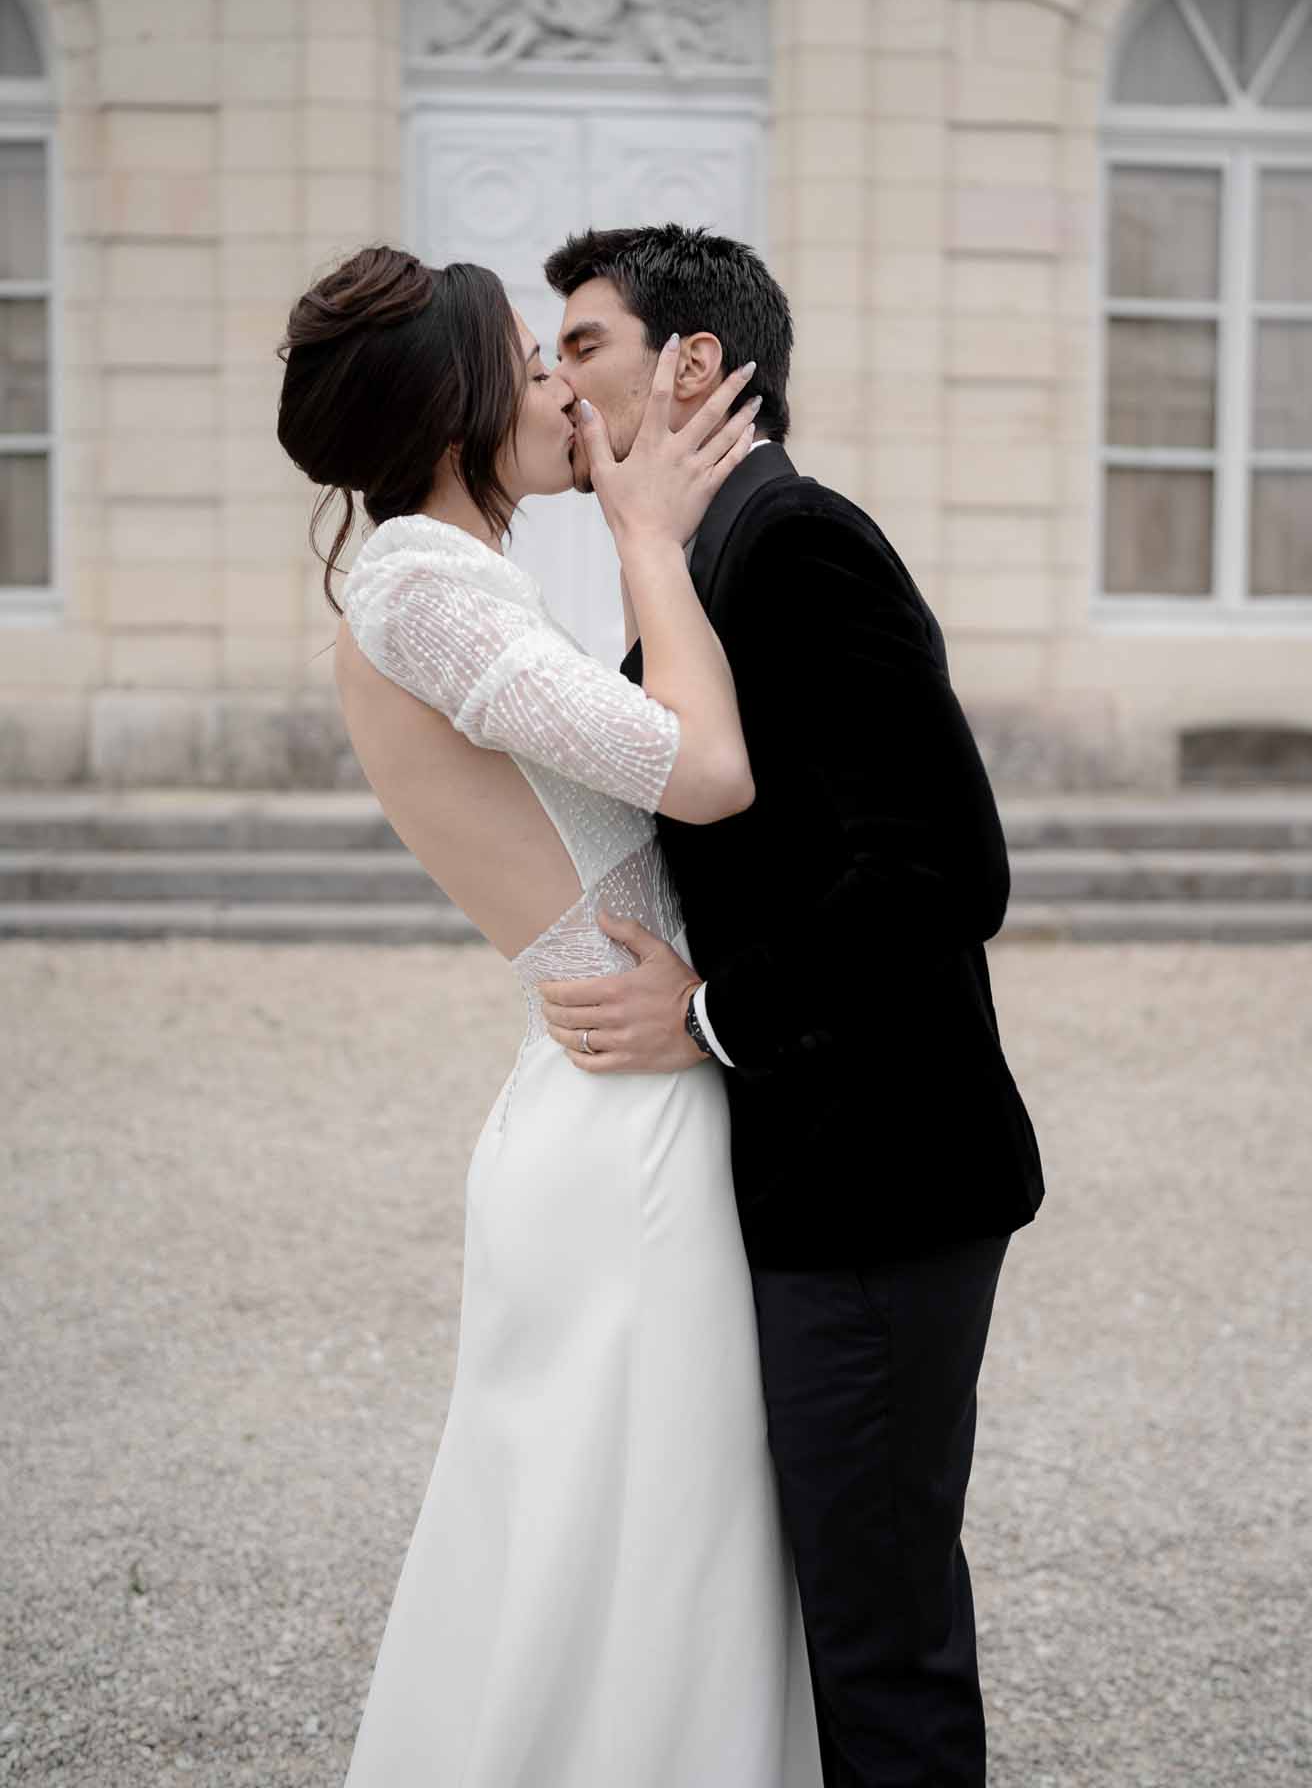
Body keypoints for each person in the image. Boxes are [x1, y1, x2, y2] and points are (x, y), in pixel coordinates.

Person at [275, 243, 822, 1788]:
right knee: (636, 1551)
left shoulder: (439, 583)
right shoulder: (429, 592)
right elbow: (707, 773)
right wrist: (649, 534)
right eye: (529, 366)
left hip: (607, 1096)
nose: (563, 387)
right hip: (620, 1133)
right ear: (456, 407)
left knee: (626, 1539)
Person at [537, 223, 1046, 1788]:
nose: (556, 382)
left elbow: (942, 868)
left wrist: (709, 1017)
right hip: (800, 1166)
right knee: (808, 1610)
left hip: (879, 1175)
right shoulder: (707, 550)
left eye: (583, 346)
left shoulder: (799, 543)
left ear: (691, 363)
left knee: (875, 1627)